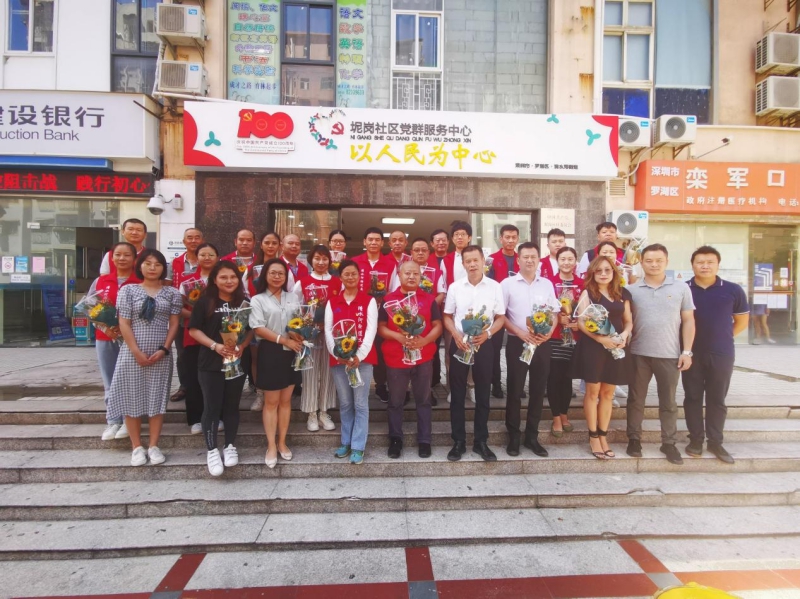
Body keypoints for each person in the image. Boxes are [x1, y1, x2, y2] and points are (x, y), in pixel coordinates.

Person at [107, 249, 182, 466]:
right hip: (132, 352)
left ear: (163, 268)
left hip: (161, 353)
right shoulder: (128, 290)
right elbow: (124, 323)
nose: (152, 268)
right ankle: (136, 447)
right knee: (132, 397)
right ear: (139, 266)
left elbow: (174, 323)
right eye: (148, 263)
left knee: (157, 398)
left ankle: (154, 445)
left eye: (157, 264)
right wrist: (136, 351)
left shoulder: (172, 293)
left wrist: (165, 348)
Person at [626, 244, 696, 465]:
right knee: (636, 399)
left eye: (659, 260)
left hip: (669, 354)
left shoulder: (681, 288)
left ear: (667, 262)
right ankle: (634, 439)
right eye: (649, 260)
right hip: (638, 353)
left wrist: (686, 351)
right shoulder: (632, 290)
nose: (654, 264)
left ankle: (669, 443)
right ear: (641, 262)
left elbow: (688, 321)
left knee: (669, 402)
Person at [683, 246, 749, 463]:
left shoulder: (732, 290)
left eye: (710, 262)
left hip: (721, 353)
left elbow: (742, 321)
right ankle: (695, 440)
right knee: (692, 397)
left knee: (717, 398)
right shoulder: (684, 289)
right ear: (692, 265)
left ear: (718, 264)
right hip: (690, 353)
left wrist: (723, 337)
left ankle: (715, 442)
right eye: (700, 262)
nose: (705, 266)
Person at [188, 261, 254, 476]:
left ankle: (230, 445)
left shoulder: (244, 302)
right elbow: (194, 330)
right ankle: (212, 450)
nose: (229, 281)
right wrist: (215, 346)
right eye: (223, 277)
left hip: (236, 362)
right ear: (214, 280)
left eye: (233, 277)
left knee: (232, 405)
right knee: (212, 406)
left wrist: (242, 346)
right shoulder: (205, 301)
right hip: (210, 363)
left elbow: (251, 330)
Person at [443, 245, 506, 462]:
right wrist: (455, 335)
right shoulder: (455, 287)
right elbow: (447, 316)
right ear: (463, 264)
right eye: (467, 261)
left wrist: (488, 334)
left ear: (483, 261)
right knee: (457, 393)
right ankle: (458, 441)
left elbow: (500, 317)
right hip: (460, 344)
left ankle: (481, 441)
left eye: (475, 260)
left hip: (483, 344)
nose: (472, 264)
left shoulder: (495, 287)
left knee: (483, 393)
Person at [501, 242, 559, 457]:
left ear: (538, 260)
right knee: (515, 390)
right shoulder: (507, 284)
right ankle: (514, 435)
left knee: (538, 390)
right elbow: (500, 316)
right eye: (525, 257)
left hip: (542, 343)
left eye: (533, 256)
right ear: (518, 260)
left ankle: (532, 436)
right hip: (518, 342)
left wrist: (549, 332)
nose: (529, 260)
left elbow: (554, 312)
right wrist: (519, 332)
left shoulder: (546, 284)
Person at [379, 261, 443, 459]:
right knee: (395, 401)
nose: (412, 276)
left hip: (423, 357)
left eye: (416, 273)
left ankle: (424, 440)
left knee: (423, 400)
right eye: (407, 273)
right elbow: (381, 327)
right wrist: (397, 337)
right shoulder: (389, 300)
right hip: (396, 358)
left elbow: (437, 325)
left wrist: (425, 340)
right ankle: (395, 439)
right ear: (399, 275)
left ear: (420, 276)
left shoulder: (429, 299)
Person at [573, 255, 632, 460]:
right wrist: (600, 339)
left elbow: (628, 320)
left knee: (608, 393)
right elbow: (581, 323)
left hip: (616, 346)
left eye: (607, 270)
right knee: (593, 392)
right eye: (599, 270)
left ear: (614, 272)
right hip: (593, 348)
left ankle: (603, 435)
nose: (604, 274)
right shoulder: (587, 293)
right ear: (593, 273)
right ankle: (593, 436)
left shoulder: (622, 293)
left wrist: (624, 335)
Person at [249, 258, 304, 468]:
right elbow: (258, 328)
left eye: (281, 273)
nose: (277, 276)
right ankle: (271, 445)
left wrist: (300, 334)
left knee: (286, 401)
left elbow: (299, 321)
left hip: (292, 352)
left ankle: (282, 442)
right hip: (270, 351)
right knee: (271, 402)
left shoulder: (293, 297)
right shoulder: (258, 299)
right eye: (273, 273)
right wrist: (284, 340)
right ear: (265, 275)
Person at [325, 259, 378, 465]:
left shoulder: (368, 301)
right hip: (339, 361)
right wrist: (336, 353)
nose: (350, 277)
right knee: (346, 403)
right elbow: (328, 330)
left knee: (360, 403)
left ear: (359, 276)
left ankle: (358, 445)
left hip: (362, 361)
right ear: (340, 277)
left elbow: (371, 330)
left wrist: (359, 356)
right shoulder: (332, 302)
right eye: (346, 274)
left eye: (354, 273)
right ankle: (345, 441)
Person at [93, 242, 140, 441]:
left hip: (133, 339)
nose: (122, 258)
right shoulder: (101, 281)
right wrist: (106, 328)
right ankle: (113, 420)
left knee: (130, 379)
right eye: (118, 255)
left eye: (127, 255)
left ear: (134, 258)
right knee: (109, 379)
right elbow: (90, 308)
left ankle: (129, 420)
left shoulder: (140, 281)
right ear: (111, 258)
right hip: (106, 338)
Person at [292, 245, 341, 432]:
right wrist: (302, 328)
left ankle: (324, 412)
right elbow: (295, 308)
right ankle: (311, 413)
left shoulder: (337, 282)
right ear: (311, 260)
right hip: (308, 337)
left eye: (324, 259)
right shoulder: (302, 282)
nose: (321, 262)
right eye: (317, 258)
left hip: (330, 336)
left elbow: (341, 307)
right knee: (310, 374)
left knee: (329, 374)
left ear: (330, 261)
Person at [352, 227, 397, 403]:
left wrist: (382, 300)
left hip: (382, 315)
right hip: (358, 314)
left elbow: (394, 291)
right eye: (370, 239)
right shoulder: (355, 262)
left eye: (377, 239)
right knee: (356, 347)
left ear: (382, 243)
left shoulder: (390, 264)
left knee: (381, 350)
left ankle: (380, 385)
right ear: (364, 241)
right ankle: (354, 383)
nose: (373, 242)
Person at [179, 242, 219, 435]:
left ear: (217, 258)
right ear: (197, 257)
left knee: (216, 380)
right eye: (203, 254)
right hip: (194, 336)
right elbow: (179, 308)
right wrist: (199, 315)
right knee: (193, 378)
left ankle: (217, 416)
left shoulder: (223, 280)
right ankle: (195, 419)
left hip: (219, 337)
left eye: (211, 254)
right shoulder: (187, 282)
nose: (207, 258)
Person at [546, 246, 582, 437]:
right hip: (554, 336)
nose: (566, 262)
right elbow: (542, 308)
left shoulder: (582, 284)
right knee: (554, 377)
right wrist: (556, 318)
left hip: (574, 337)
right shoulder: (549, 283)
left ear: (576, 261)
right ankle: (556, 418)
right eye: (563, 259)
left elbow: (587, 310)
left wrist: (578, 323)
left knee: (567, 379)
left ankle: (564, 414)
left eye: (570, 259)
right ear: (557, 261)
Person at [167, 227, 203, 404]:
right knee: (183, 354)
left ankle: (202, 386)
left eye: (197, 238)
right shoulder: (174, 264)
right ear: (184, 241)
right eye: (190, 238)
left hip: (205, 318)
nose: (193, 241)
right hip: (182, 317)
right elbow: (167, 290)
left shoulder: (208, 261)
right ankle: (185, 386)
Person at [247, 231, 282, 411]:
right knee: (256, 358)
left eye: (274, 243)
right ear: (261, 245)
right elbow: (245, 292)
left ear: (279, 246)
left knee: (277, 357)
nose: (270, 246)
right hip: (257, 316)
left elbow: (290, 292)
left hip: (278, 319)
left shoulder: (283, 268)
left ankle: (278, 390)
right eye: (267, 242)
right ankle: (260, 393)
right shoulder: (252, 268)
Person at [441, 221, 474, 403]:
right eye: (456, 235)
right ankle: (453, 388)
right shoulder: (446, 260)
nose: (460, 237)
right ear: (452, 239)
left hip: (476, 314)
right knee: (451, 350)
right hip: (453, 314)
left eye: (463, 234)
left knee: (474, 349)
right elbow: (444, 288)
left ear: (469, 237)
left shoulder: (478, 258)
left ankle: (472, 385)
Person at [488, 224, 520, 399]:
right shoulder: (492, 260)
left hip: (517, 309)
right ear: (501, 239)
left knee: (518, 348)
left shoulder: (522, 259)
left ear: (518, 239)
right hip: (497, 311)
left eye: (513, 237)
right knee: (495, 349)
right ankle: (496, 384)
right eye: (507, 237)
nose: (510, 240)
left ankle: (517, 385)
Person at [428, 229, 450, 392]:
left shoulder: (454, 259)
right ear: (432, 243)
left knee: (450, 347)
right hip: (432, 310)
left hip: (450, 310)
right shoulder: (426, 260)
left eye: (444, 240)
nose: (441, 243)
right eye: (437, 240)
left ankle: (451, 381)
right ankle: (434, 378)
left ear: (448, 242)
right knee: (432, 344)